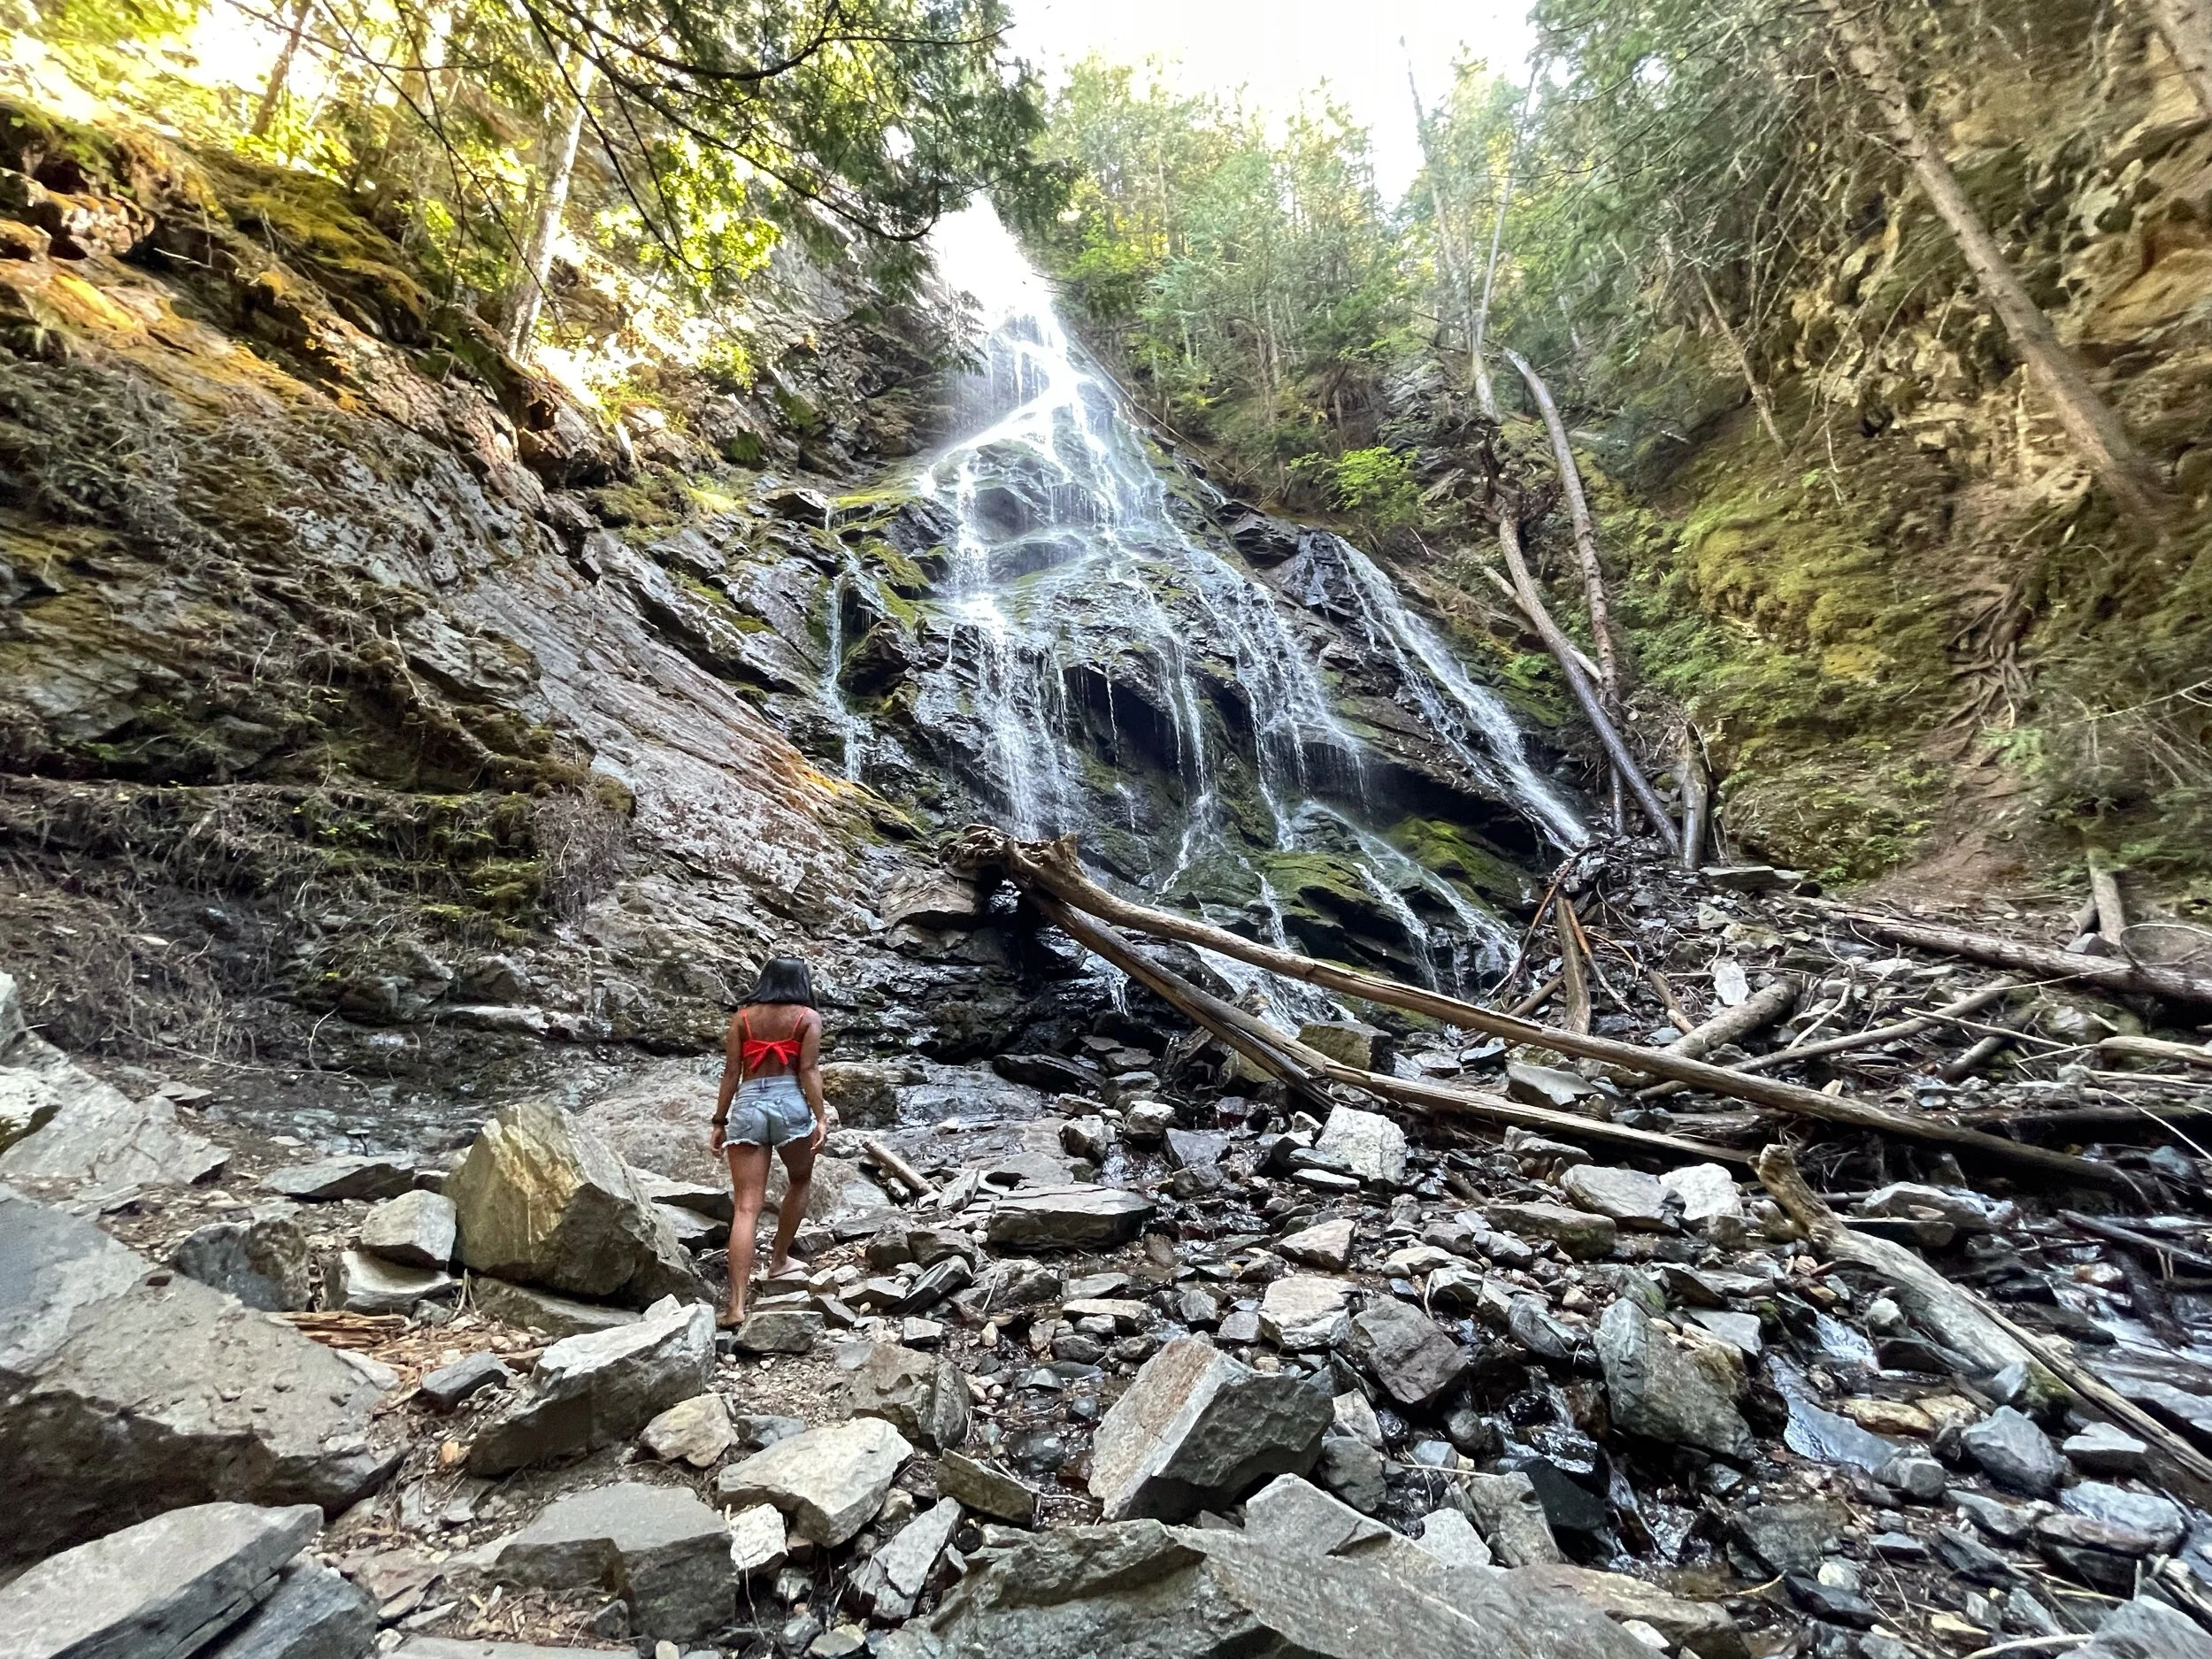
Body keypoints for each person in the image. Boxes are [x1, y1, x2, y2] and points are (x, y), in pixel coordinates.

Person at [709, 956, 826, 1326]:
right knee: (800, 1178)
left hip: (747, 1104)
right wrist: (820, 1116)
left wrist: (718, 1121)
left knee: (746, 1207)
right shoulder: (807, 1019)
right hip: (790, 1101)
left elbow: (731, 1072)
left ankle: (737, 1306)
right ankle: (778, 1260)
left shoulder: (742, 1019)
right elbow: (807, 1070)